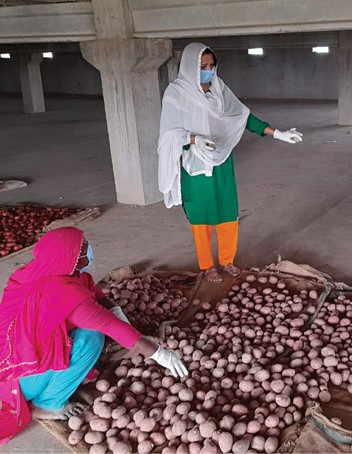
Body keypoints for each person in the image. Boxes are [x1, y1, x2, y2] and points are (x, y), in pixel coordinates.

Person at [0, 227, 187, 444]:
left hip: (11, 356)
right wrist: (161, 354)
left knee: (85, 333)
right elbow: (112, 327)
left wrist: (116, 310)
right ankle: (47, 404)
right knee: (91, 339)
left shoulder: (44, 271)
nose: (89, 250)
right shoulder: (67, 296)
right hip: (17, 379)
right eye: (84, 248)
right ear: (73, 258)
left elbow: (96, 295)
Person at [158, 43, 303, 284]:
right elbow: (168, 133)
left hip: (221, 159)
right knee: (201, 215)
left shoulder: (219, 89)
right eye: (203, 66)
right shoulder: (177, 93)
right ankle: (207, 266)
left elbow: (242, 117)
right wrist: (193, 139)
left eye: (211, 65)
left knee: (227, 211)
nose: (209, 71)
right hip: (195, 163)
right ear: (189, 66)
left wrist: (277, 133)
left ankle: (227, 260)